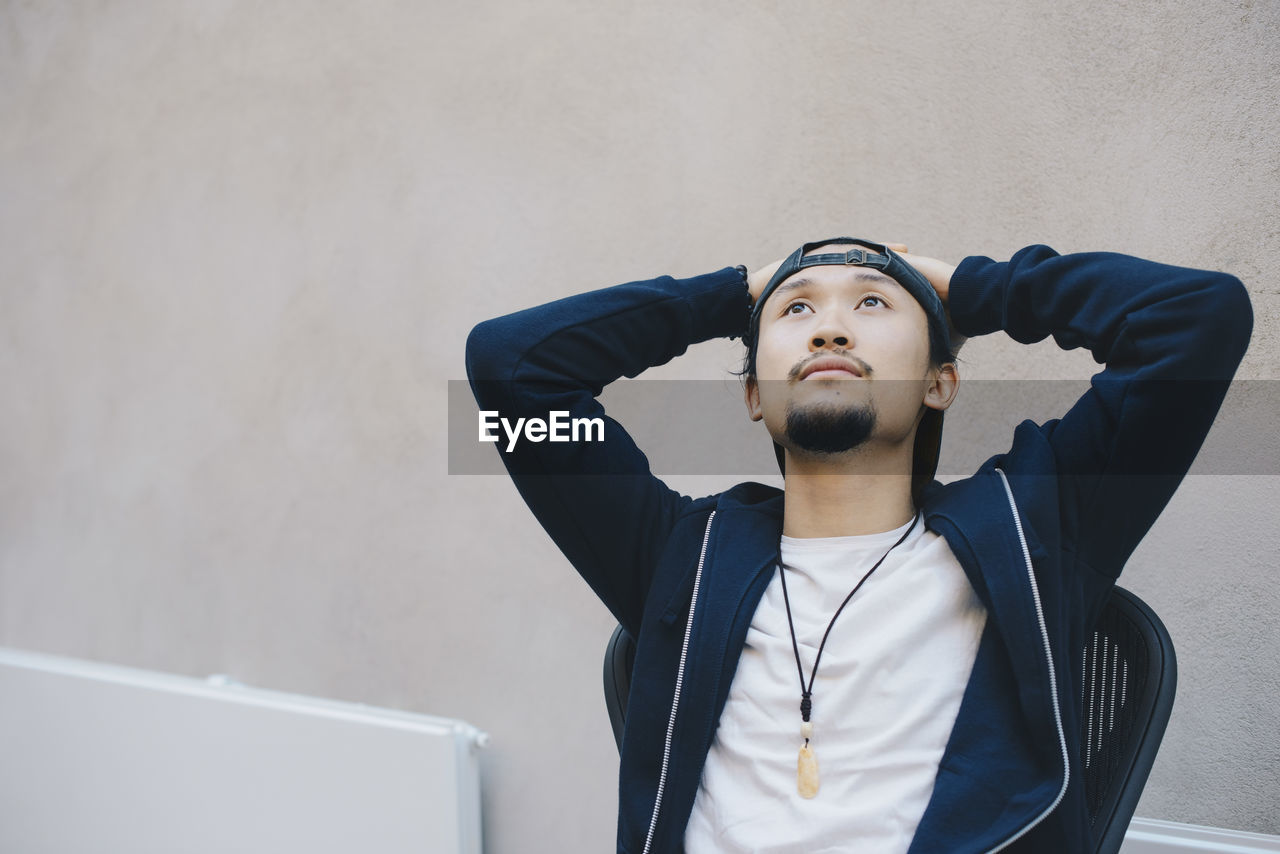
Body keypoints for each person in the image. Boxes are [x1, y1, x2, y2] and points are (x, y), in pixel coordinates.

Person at [465, 238, 1252, 853]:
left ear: (940, 382)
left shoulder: (1037, 526)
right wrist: (731, 295)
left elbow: (1196, 317)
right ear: (752, 395)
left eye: (873, 303)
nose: (832, 326)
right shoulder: (678, 557)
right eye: (797, 312)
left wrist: (975, 288)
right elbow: (511, 368)